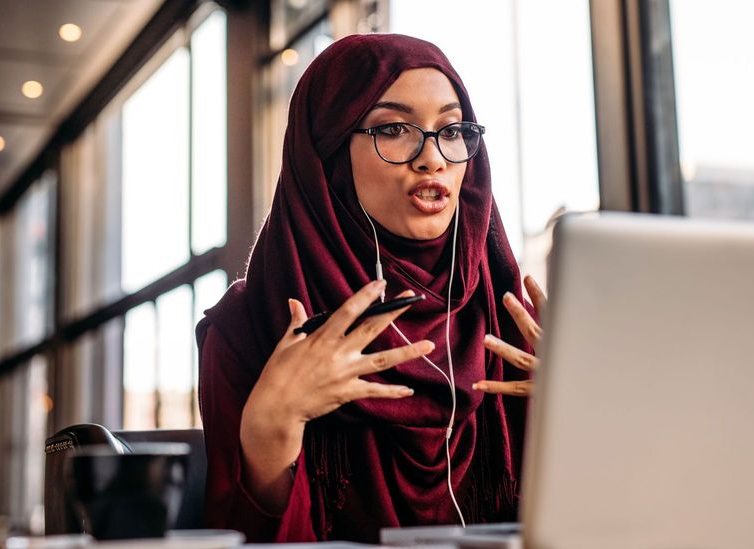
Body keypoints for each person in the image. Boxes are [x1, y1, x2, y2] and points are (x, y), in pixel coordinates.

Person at [196, 33, 545, 543]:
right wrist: (270, 429)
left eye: (451, 129)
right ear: (328, 157)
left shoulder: (507, 315)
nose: (434, 160)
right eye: (394, 128)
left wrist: (584, 418)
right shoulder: (251, 325)